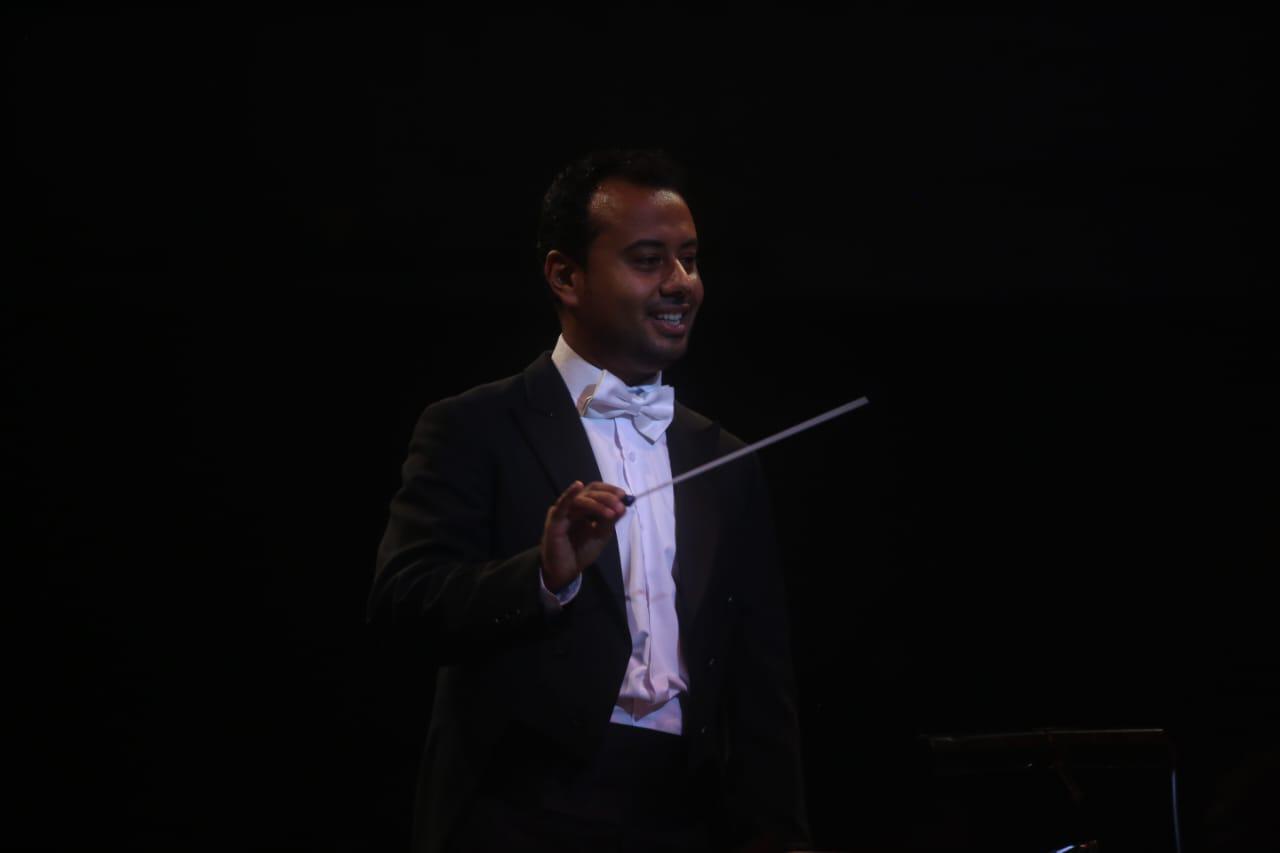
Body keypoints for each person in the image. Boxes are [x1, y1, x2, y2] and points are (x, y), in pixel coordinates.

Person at [370, 149, 810, 852]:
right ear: (566, 277)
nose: (682, 283)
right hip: (520, 813)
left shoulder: (725, 458)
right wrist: (544, 578)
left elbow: (762, 685)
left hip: (687, 816)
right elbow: (403, 604)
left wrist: (781, 838)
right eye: (649, 260)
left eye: (690, 259)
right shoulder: (474, 426)